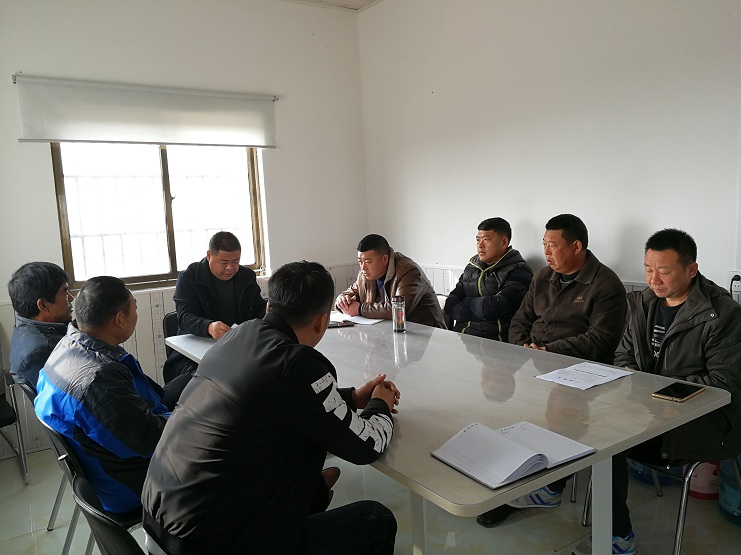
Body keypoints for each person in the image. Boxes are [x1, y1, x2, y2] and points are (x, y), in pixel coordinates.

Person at [142, 261, 400, 554]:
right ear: (322, 321)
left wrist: (351, 397)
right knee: (376, 519)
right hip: (208, 544)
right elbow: (366, 446)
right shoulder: (298, 363)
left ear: (268, 307)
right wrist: (380, 403)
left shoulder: (239, 335)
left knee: (305, 484)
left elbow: (280, 400)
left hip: (161, 521)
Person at [572, 229, 741, 555]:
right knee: (582, 417)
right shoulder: (642, 303)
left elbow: (724, 383)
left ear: (691, 269)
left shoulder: (721, 314)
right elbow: (623, 357)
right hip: (645, 409)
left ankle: (617, 537)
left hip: (703, 420)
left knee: (609, 438)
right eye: (648, 269)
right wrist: (636, 386)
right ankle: (561, 496)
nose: (653, 279)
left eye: (664, 271)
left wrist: (651, 391)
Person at [478, 213, 627, 528]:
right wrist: (522, 349)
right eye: (543, 244)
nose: (545, 251)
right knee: (502, 409)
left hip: (584, 375)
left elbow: (600, 339)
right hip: (538, 368)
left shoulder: (605, 283)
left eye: (552, 245)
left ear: (576, 247)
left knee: (556, 420)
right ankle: (515, 484)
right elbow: (521, 319)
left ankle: (545, 487)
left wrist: (549, 352)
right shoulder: (543, 276)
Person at [35, 276, 185, 515]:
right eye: (135, 308)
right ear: (119, 319)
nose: (136, 314)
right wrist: (194, 420)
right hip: (132, 484)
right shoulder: (99, 381)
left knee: (190, 382)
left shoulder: (67, 345)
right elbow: (150, 442)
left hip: (106, 461)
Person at [164, 231, 267, 382]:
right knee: (214, 380)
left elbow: (259, 308)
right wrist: (209, 327)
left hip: (238, 349)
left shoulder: (246, 276)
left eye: (236, 261)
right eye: (224, 262)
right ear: (209, 255)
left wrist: (270, 314)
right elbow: (185, 317)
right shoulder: (190, 277)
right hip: (194, 354)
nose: (230, 268)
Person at [444, 217, 533, 341]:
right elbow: (450, 304)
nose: (480, 245)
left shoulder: (519, 271)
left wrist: (466, 301)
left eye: (486, 239)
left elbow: (496, 307)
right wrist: (480, 312)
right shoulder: (472, 268)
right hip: (461, 339)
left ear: (504, 242)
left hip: (494, 343)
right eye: (478, 240)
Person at [335, 234, 446, 328]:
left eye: (368, 262)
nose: (363, 267)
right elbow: (350, 293)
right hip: (388, 333)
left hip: (428, 335)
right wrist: (342, 301)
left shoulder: (408, 271)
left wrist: (360, 309)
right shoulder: (365, 274)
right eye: (360, 261)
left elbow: (398, 310)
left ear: (385, 259)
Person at [7, 262, 73, 391]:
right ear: (43, 305)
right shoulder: (38, 352)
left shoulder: (24, 326)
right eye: (65, 293)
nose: (71, 298)